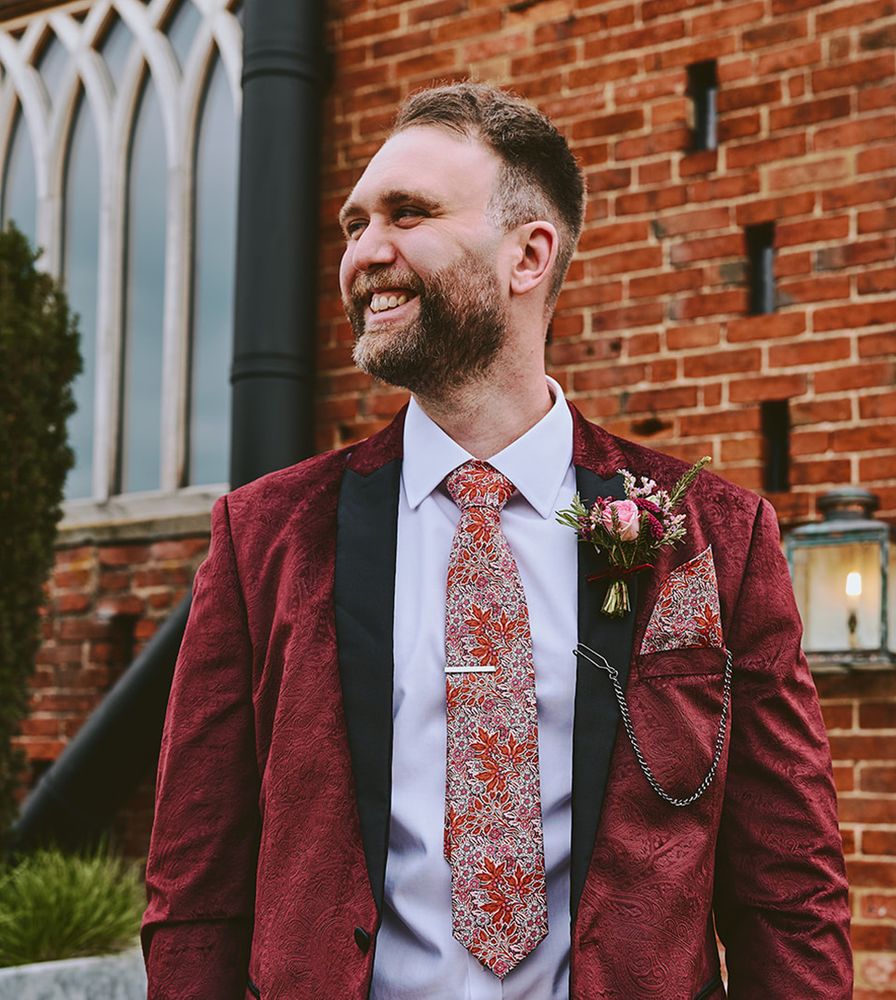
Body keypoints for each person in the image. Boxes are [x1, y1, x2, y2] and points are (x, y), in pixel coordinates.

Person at [141, 83, 852, 999]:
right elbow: (195, 889)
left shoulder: (713, 535)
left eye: (409, 214)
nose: (366, 252)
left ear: (529, 254)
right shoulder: (265, 538)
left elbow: (788, 888)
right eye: (354, 226)